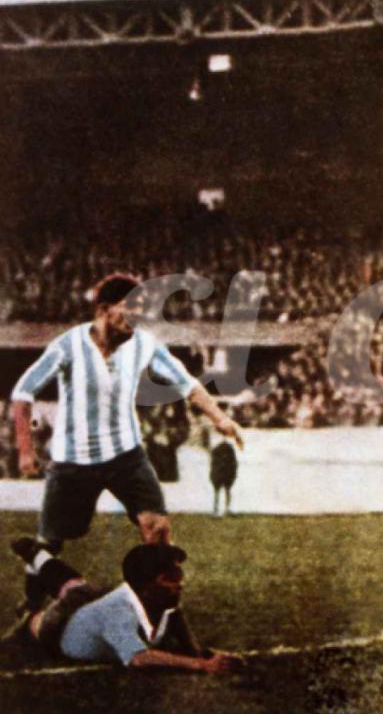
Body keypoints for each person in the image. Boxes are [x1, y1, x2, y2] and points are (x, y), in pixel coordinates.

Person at [9, 274, 245, 612]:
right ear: (105, 310)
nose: (136, 320)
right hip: (74, 461)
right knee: (51, 543)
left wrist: (220, 418)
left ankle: (156, 605)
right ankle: (31, 604)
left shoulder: (144, 345)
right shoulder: (67, 346)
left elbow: (187, 384)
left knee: (158, 528)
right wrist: (26, 450)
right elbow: (22, 393)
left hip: (126, 456)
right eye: (129, 311)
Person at [7, 537, 242, 673]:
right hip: (63, 625)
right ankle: (31, 595)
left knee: (75, 586)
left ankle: (37, 557)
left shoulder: (169, 609)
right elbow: (138, 658)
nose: (180, 584)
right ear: (147, 586)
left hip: (99, 601)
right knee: (44, 619)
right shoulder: (118, 613)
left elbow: (191, 649)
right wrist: (202, 665)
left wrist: (209, 656)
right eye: (169, 579)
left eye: (178, 576)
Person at [210, 437, 239, 519]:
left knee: (221, 491)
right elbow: (234, 463)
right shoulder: (228, 450)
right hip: (223, 473)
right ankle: (222, 510)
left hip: (222, 473)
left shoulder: (217, 450)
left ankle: (219, 510)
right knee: (224, 491)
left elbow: (214, 464)